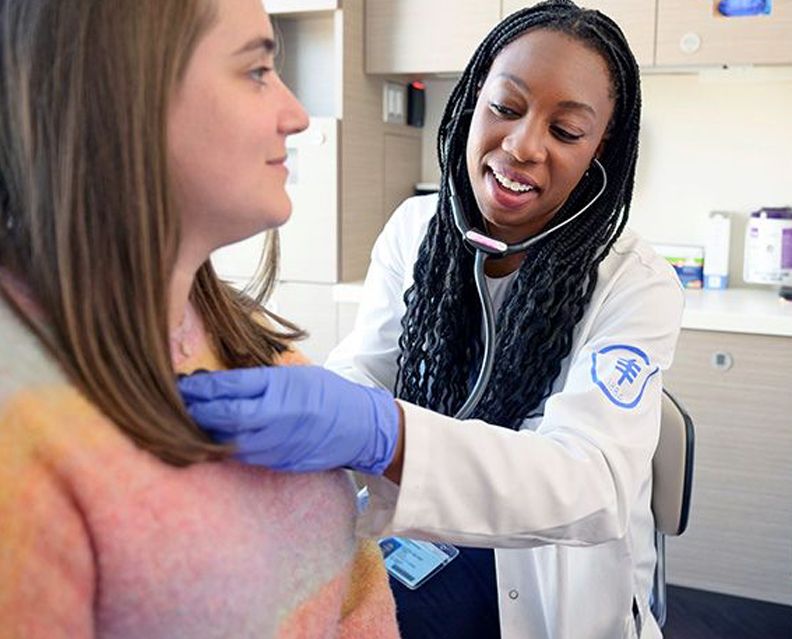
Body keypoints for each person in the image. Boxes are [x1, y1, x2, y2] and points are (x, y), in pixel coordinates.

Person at [180, 1, 684, 638]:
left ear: (599, 150)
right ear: (473, 99)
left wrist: (386, 433)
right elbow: (365, 368)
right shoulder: (415, 229)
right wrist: (328, 411)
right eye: (505, 108)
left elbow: (590, 483)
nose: (523, 146)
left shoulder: (635, 284)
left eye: (565, 132)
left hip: (544, 574)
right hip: (425, 526)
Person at [0, 0, 399, 637]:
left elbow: (356, 589)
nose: (296, 115)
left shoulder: (251, 347)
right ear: (124, 89)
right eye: (257, 70)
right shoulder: (23, 434)